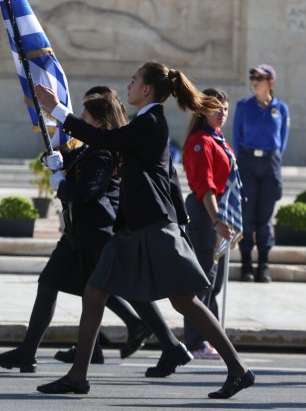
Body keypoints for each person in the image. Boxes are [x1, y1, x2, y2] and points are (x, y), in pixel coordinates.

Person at [34, 61, 254, 399]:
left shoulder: (151, 122)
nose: (129, 86)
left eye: (134, 81)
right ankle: (77, 376)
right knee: (95, 293)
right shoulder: (145, 123)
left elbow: (101, 137)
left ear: (147, 89)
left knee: (185, 301)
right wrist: (63, 163)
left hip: (152, 228)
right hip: (133, 228)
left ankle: (238, 370)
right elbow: (107, 147)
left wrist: (58, 111)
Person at [0, 90, 183, 373]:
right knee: (51, 283)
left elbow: (86, 191)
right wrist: (54, 157)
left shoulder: (103, 151)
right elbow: (72, 158)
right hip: (79, 233)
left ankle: (167, 345)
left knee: (117, 288)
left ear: (99, 122)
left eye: (84, 117)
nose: (79, 120)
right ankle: (28, 352)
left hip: (96, 232)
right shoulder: (92, 148)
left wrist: (60, 184)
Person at [181, 87, 233, 360]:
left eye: (225, 108)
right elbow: (206, 187)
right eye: (216, 108)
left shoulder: (218, 138)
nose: (222, 113)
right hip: (206, 215)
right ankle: (196, 340)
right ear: (203, 110)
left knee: (215, 282)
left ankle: (210, 336)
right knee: (203, 280)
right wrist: (216, 220)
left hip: (220, 215)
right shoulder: (201, 141)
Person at [232, 64, 289, 283]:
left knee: (264, 218)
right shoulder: (244, 106)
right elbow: (237, 136)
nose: (255, 80)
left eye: (260, 77)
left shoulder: (280, 109)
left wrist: (272, 159)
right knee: (247, 216)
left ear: (271, 82)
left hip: (270, 163)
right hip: (247, 161)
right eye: (252, 76)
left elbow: (282, 140)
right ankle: (246, 264)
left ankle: (263, 265)